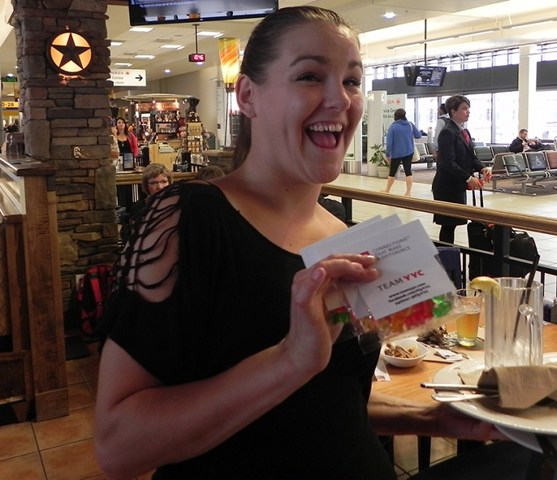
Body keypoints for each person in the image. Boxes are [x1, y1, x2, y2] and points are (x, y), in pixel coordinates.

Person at [95, 8, 510, 480]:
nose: (340, 98)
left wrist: (432, 418)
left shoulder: (342, 235)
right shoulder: (187, 219)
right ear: (248, 96)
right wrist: (289, 360)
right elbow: (118, 446)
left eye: (352, 81)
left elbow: (328, 402)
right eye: (310, 76)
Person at [432, 95, 492, 244]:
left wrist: (483, 168)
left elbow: (471, 157)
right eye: (464, 108)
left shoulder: (464, 131)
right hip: (446, 186)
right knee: (448, 225)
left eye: (468, 108)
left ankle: (448, 254)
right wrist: (468, 178)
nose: (468, 111)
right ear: (453, 111)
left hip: (457, 185)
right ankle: (446, 255)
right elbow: (447, 162)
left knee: (453, 223)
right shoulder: (447, 132)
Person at [119, 163, 173, 243]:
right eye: (154, 183)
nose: (160, 187)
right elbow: (129, 237)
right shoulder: (138, 209)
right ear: (146, 186)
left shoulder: (178, 204)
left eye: (164, 181)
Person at [382, 108, 421, 196]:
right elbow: (418, 135)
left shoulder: (393, 127)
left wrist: (388, 154)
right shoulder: (410, 124)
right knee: (408, 171)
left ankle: (387, 190)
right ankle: (408, 192)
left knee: (392, 172)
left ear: (395, 116)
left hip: (396, 153)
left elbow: (389, 143)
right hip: (409, 151)